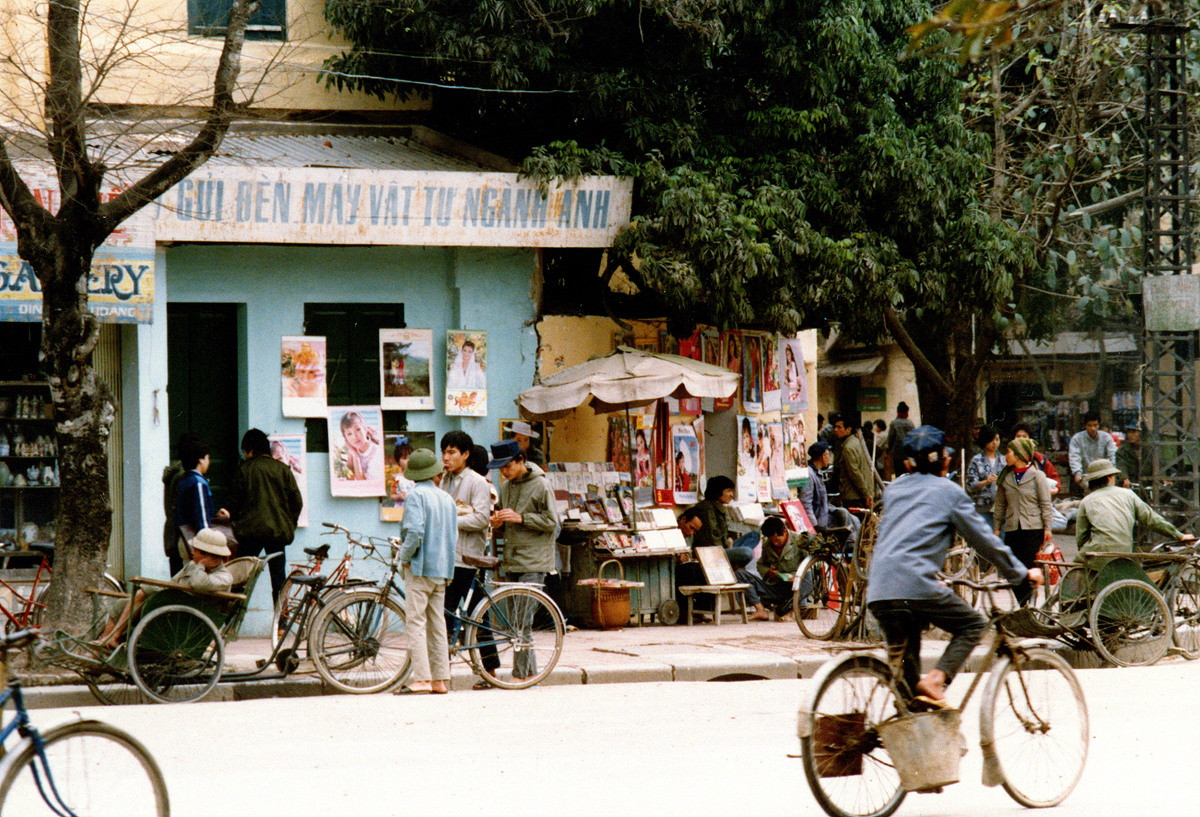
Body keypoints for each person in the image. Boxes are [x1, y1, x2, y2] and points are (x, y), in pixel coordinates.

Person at [867, 426, 1042, 706]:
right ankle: (937, 679)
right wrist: (1020, 573)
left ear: (909, 463)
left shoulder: (895, 489)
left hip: (879, 591)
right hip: (916, 587)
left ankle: (918, 735)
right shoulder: (950, 492)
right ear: (945, 461)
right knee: (973, 625)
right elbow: (986, 542)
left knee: (910, 687)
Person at [100, 527, 234, 648]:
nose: (192, 552)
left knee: (143, 593)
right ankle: (105, 644)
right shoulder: (192, 565)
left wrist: (201, 566)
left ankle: (114, 637)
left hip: (188, 621)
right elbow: (172, 582)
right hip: (174, 608)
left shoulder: (224, 577)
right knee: (121, 604)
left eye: (196, 550)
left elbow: (199, 584)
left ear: (208, 554)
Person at [396, 449, 457, 695]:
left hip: (420, 568)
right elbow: (453, 537)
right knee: (437, 624)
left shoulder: (415, 496)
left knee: (416, 623)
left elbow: (414, 533)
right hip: (441, 569)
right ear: (434, 473)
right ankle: (440, 679)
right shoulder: (446, 498)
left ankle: (421, 678)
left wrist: (405, 557)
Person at [438, 430, 495, 689]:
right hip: (449, 557)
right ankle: (442, 673)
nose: (446, 458)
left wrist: (451, 519)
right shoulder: (446, 480)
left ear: (466, 454)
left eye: (451, 452)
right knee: (446, 615)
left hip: (469, 559)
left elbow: (482, 518)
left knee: (478, 617)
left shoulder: (477, 482)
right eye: (444, 452)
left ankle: (490, 672)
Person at [228, 428, 303, 604]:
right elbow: (297, 503)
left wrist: (237, 522)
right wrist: (288, 525)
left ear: (249, 450)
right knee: (278, 580)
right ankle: (280, 625)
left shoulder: (244, 470)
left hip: (250, 534)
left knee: (240, 579)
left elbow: (233, 503)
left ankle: (228, 623)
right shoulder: (283, 470)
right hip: (277, 533)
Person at [1074, 459, 1192, 559]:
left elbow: (1081, 537)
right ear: (1110, 478)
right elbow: (1151, 519)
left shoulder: (1087, 501)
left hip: (1097, 554)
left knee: (1076, 566)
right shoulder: (1128, 494)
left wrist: (1083, 551)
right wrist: (1179, 535)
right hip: (1124, 552)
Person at [992, 438, 1054, 606]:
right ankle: (1023, 603)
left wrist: (1048, 527)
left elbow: (1045, 503)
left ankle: (1027, 605)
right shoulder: (1005, 477)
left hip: (1033, 529)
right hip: (1012, 528)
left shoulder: (1037, 476)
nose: (1006, 455)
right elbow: (1000, 504)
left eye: (1009, 452)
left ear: (1020, 455)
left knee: (1029, 567)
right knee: (1013, 568)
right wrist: (997, 527)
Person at [174, 435, 229, 563]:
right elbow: (201, 517)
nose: (209, 461)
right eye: (208, 458)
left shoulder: (183, 481)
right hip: (197, 541)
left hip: (184, 538)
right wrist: (208, 547)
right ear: (201, 460)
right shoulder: (198, 483)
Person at [800, 441, 860, 539]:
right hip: (820, 520)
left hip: (824, 513)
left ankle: (853, 546)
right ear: (823, 456)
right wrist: (814, 527)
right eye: (829, 455)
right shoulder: (809, 474)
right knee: (850, 524)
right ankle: (851, 546)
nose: (829, 458)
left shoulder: (817, 472)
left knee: (852, 518)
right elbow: (806, 504)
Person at [755, 516, 804, 619]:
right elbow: (760, 564)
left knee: (808, 576)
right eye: (771, 540)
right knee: (742, 576)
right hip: (777, 585)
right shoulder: (767, 545)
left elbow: (811, 565)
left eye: (777, 539)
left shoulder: (799, 540)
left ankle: (790, 608)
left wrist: (797, 577)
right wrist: (768, 571)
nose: (774, 543)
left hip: (796, 586)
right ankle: (762, 609)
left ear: (785, 532)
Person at [831, 412, 873, 509]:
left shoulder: (848, 448)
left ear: (848, 429)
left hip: (853, 496)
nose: (835, 430)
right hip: (862, 493)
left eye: (839, 427)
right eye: (835, 427)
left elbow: (854, 474)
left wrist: (866, 494)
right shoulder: (856, 442)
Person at [1068, 411, 1116, 495]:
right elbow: (1074, 457)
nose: (1093, 428)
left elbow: (1112, 455)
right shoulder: (1077, 439)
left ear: (1099, 425)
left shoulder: (1106, 437)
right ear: (1085, 426)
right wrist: (1077, 473)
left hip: (1104, 475)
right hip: (1086, 477)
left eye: (1095, 425)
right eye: (1089, 425)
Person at [967, 425, 1004, 530]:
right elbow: (970, 485)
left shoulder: (1004, 460)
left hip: (1000, 509)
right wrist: (985, 482)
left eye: (997, 439)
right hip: (982, 508)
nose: (994, 443)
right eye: (991, 440)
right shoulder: (976, 460)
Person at [1011, 422, 1060, 494]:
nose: (1021, 439)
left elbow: (1054, 479)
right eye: (1018, 436)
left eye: (1024, 436)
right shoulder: (1009, 459)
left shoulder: (1040, 459)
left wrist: (1054, 490)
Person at [335, 410, 379, 481]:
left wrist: (356, 457)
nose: (354, 436)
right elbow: (349, 478)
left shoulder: (376, 453)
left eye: (358, 429)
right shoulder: (352, 450)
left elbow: (363, 483)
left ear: (365, 429)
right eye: (349, 434)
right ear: (345, 438)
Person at [884, 402, 915, 479]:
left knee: (899, 475)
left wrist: (889, 451)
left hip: (897, 454)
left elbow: (891, 438)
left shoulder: (894, 423)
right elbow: (914, 437)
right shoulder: (910, 423)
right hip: (909, 453)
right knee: (909, 474)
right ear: (906, 412)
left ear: (898, 412)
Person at [388, 439, 415, 507]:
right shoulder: (396, 478)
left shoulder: (417, 477)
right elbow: (392, 495)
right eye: (405, 458)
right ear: (398, 462)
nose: (408, 461)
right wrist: (399, 497)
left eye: (410, 457)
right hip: (401, 507)